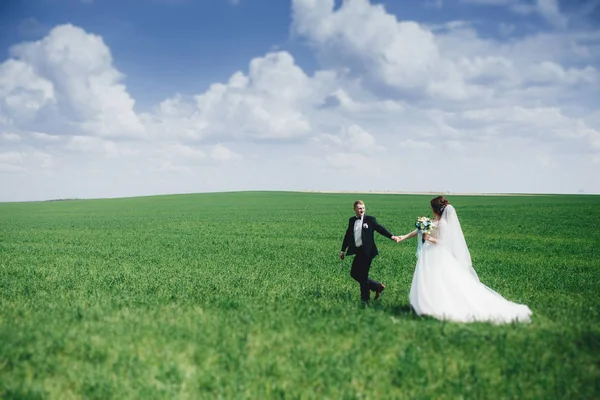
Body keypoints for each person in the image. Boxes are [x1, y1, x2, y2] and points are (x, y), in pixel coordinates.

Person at [398, 196, 532, 324]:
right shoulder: (430, 221)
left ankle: (435, 305)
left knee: (439, 280)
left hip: (437, 254)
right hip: (427, 255)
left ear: (435, 209)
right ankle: (424, 305)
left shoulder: (443, 224)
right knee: (426, 279)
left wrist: (430, 239)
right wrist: (403, 237)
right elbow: (419, 230)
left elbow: (445, 242)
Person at [341, 200, 401, 302]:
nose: (362, 210)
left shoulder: (370, 220)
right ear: (355, 209)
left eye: (363, 208)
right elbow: (347, 235)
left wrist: (392, 236)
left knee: (363, 276)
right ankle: (376, 286)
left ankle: (365, 301)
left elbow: (380, 229)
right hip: (358, 251)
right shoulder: (352, 220)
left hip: (368, 252)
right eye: (360, 208)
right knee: (354, 273)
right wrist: (343, 250)